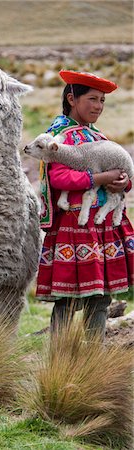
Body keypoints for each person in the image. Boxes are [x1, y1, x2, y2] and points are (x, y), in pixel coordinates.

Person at [36, 70, 133, 339]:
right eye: (92, 99)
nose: (98, 106)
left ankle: (94, 358)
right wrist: (101, 177)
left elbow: (122, 172)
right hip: (75, 226)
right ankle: (60, 358)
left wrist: (122, 182)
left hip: (101, 225)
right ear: (71, 98)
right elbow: (58, 177)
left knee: (100, 295)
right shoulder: (57, 137)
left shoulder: (97, 137)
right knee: (67, 297)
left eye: (102, 100)